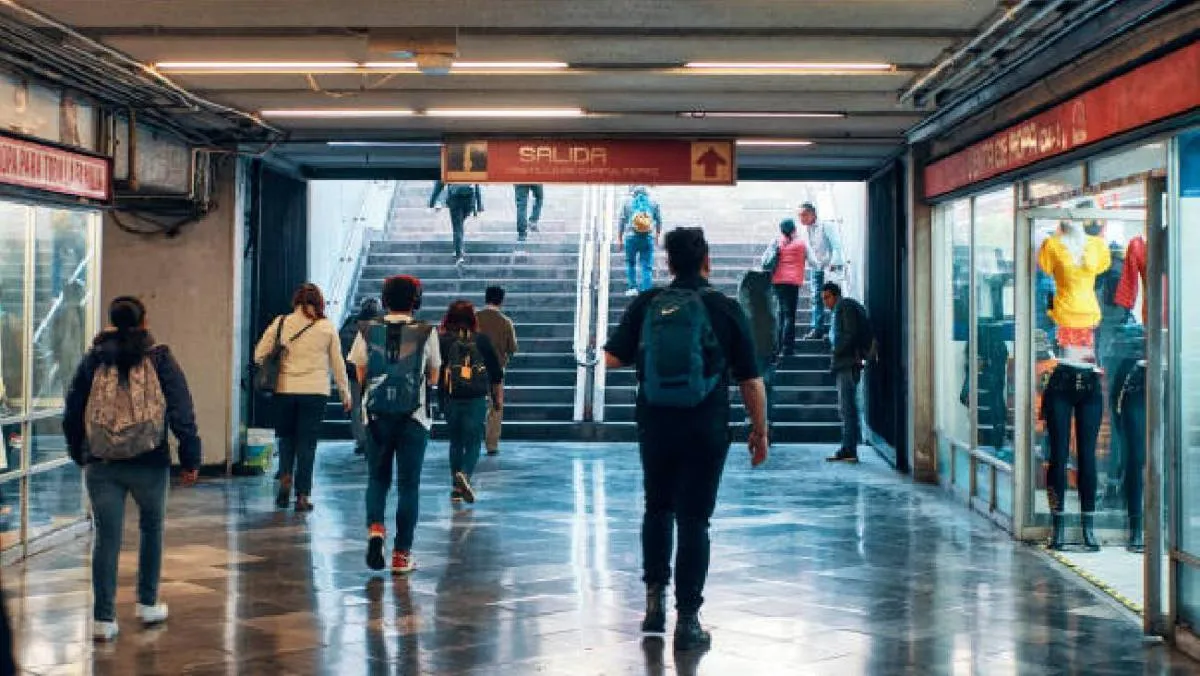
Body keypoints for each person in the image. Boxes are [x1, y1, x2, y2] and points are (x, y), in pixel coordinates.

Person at [604, 227, 769, 652]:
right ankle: (688, 621)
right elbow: (751, 378)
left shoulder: (648, 303)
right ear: (707, 260)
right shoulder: (724, 307)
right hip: (706, 425)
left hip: (655, 423)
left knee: (657, 507)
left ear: (669, 262)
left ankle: (654, 603)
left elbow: (613, 356)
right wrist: (759, 430)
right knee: (694, 519)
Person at [62, 296, 201, 642]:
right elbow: (182, 409)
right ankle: (148, 603)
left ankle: (103, 619)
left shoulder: (94, 358)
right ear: (144, 320)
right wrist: (190, 457)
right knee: (151, 528)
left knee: (106, 538)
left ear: (111, 320)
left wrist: (80, 451)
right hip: (149, 460)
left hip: (102, 461)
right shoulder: (160, 358)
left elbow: (73, 407)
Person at [348, 275, 441, 574]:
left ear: (384, 300)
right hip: (414, 417)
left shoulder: (368, 331)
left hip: (376, 416)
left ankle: (376, 528)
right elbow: (435, 376)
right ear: (416, 301)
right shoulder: (426, 332)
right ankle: (402, 556)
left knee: (377, 479)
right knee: (408, 486)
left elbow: (360, 374)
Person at [254, 283, 351, 512]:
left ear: (296, 301)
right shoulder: (326, 328)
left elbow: (259, 355)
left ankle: (285, 476)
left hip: (285, 390)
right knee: (307, 444)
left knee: (286, 439)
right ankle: (302, 496)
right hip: (315, 392)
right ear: (318, 303)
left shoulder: (281, 323)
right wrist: (345, 392)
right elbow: (338, 364)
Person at [438, 301, 504, 504]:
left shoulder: (442, 341)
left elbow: (432, 369)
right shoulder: (481, 340)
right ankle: (464, 476)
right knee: (474, 441)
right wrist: (497, 399)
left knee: (456, 441)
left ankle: (456, 487)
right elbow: (496, 373)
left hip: (449, 397)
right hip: (475, 397)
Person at [821, 282, 874, 463]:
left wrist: (837, 351)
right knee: (846, 408)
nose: (825, 302)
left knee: (848, 409)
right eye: (823, 298)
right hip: (845, 363)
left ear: (836, 295)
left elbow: (850, 334)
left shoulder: (844, 306)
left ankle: (849, 449)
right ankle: (848, 448)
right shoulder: (840, 309)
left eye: (827, 297)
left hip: (847, 364)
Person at [476, 286, 519, 455]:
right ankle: (491, 444)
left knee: (474, 403)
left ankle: (471, 439)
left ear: (485, 298)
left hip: (473, 369)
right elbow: (513, 348)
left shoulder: (474, 318)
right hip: (496, 371)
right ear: (501, 300)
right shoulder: (505, 322)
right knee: (496, 406)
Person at [340, 298, 384, 456]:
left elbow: (342, 349)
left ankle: (361, 440)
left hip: (355, 374)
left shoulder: (351, 324)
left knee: (357, 407)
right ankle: (376, 439)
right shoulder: (383, 324)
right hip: (377, 374)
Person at [738, 269, 778, 433]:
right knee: (766, 385)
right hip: (766, 347)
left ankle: (754, 420)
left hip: (752, 349)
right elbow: (774, 323)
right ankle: (766, 421)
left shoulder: (747, 302)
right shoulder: (767, 305)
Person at [800, 203, 844, 340]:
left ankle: (834, 331)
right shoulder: (804, 231)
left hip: (828, 269)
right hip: (816, 269)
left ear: (813, 214)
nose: (801, 218)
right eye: (800, 215)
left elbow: (837, 246)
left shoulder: (825, 226)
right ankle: (817, 329)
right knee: (816, 299)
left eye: (804, 215)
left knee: (832, 300)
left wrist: (833, 265)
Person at [769, 218, 808, 357]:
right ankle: (787, 348)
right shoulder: (801, 244)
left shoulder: (777, 243)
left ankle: (778, 347)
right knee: (789, 316)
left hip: (777, 282)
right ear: (794, 229)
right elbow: (813, 260)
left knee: (781, 314)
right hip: (791, 283)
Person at [617, 186, 664, 296]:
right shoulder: (653, 203)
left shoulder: (627, 203)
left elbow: (621, 221)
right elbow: (659, 220)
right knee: (646, 265)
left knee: (630, 263)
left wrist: (619, 238)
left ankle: (632, 288)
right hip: (647, 237)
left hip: (630, 238)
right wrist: (657, 235)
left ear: (633, 193)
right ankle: (646, 289)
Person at [430, 180, 484, 266]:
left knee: (457, 227)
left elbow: (440, 183)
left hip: (455, 198)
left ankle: (459, 255)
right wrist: (480, 204)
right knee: (459, 225)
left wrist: (432, 201)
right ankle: (457, 248)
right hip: (469, 199)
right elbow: (476, 183)